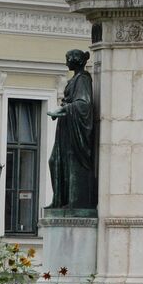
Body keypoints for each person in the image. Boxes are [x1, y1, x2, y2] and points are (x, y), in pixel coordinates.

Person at [47, 49, 96, 209]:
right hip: (66, 127)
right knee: (54, 161)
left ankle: (74, 202)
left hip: (74, 130)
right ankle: (59, 200)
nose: (66, 61)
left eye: (68, 58)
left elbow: (84, 104)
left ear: (76, 60)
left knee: (68, 162)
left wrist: (64, 110)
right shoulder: (76, 79)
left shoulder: (82, 79)